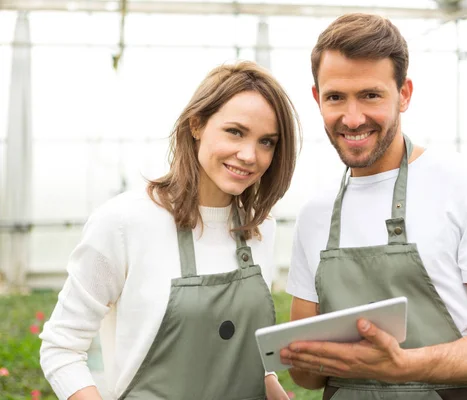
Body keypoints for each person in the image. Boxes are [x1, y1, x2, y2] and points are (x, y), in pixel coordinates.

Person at [281, 13, 467, 400]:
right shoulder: (315, 215)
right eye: (336, 97)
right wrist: (298, 356)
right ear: (317, 98)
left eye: (371, 95)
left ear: (404, 93)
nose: (352, 118)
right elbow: (307, 378)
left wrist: (405, 366)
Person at [40, 61, 299, 400]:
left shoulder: (260, 228)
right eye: (235, 132)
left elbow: (245, 356)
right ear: (196, 125)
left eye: (267, 142)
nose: (250, 155)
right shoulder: (125, 222)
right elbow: (61, 348)